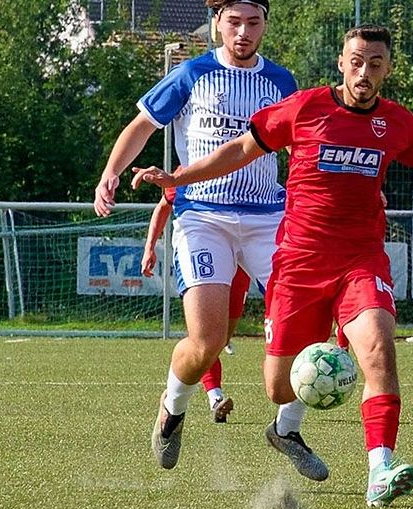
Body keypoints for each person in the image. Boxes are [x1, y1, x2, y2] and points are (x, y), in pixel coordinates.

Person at [130, 24, 413, 507]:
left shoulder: (399, 124)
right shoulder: (305, 108)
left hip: (361, 259)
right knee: (277, 386)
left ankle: (380, 468)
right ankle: (248, 422)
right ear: (341, 62)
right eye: (356, 61)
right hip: (297, 264)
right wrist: (179, 176)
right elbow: (239, 151)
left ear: (388, 70)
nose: (364, 71)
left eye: (375, 63)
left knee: (377, 345)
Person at [92, 0, 302, 472]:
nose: (243, 32)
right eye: (233, 22)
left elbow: (305, 147)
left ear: (266, 24)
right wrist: (110, 172)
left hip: (269, 217)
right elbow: (143, 125)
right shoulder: (192, 75)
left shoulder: (282, 83)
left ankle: (288, 428)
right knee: (206, 340)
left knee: (306, 328)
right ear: (217, 24)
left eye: (253, 22)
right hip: (202, 216)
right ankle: (174, 406)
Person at [140, 187, 253, 423]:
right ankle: (215, 396)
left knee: (220, 339)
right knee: (207, 338)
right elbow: (163, 205)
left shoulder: (251, 159)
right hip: (205, 250)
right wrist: (150, 247)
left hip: (242, 265)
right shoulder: (190, 169)